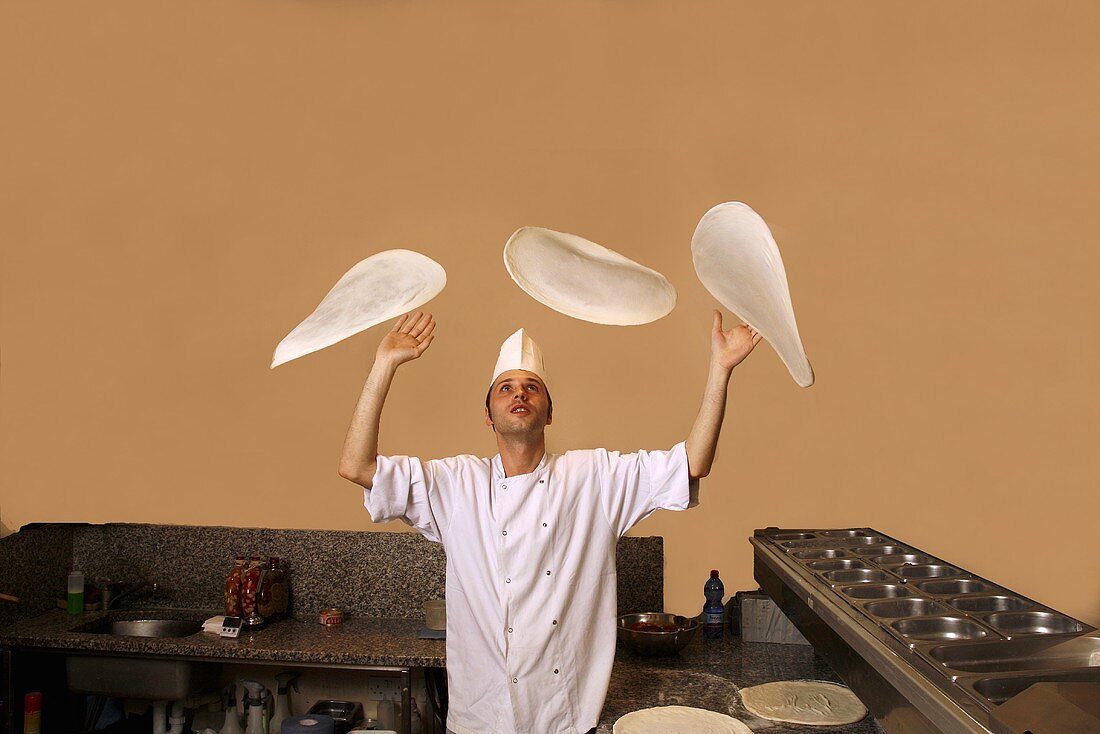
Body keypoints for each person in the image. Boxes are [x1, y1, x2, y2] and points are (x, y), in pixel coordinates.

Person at [339, 310, 760, 734]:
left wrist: (720, 368)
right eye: (505, 388)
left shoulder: (593, 477)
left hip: (567, 721)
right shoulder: (455, 484)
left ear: (549, 412)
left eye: (531, 387)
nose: (518, 394)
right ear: (488, 414)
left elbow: (692, 462)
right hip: (479, 720)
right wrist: (383, 364)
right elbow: (356, 465)